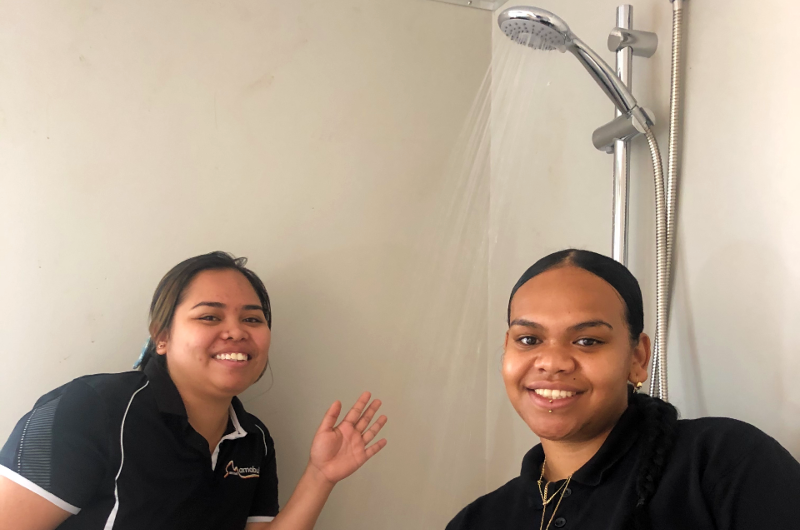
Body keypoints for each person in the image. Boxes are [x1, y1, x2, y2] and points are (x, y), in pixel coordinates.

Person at [0, 251, 387, 530]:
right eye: (209, 316)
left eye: (252, 318)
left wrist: (320, 476)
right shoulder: (89, 410)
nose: (236, 331)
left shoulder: (253, 440)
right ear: (163, 336)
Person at [447, 249, 800, 530]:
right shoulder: (478, 520)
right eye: (528, 339)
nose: (551, 362)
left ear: (637, 357)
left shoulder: (722, 463)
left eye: (587, 340)